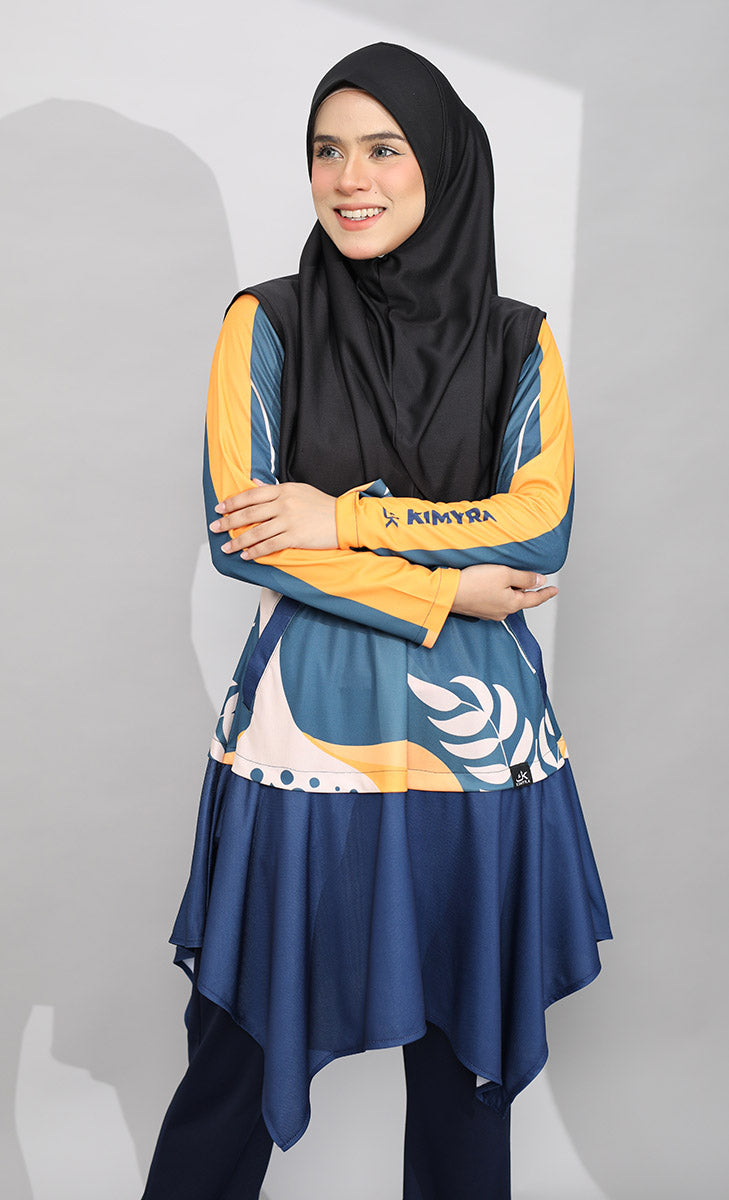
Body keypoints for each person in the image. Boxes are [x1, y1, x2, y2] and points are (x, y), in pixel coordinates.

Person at [141, 42, 612, 1200]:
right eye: (327, 150)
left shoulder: (518, 341)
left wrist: (340, 517)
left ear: (440, 164)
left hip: (477, 758)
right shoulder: (266, 324)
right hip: (307, 745)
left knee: (464, 1081)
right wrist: (446, 587)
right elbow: (242, 534)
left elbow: (538, 528)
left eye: (383, 148)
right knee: (238, 1065)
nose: (349, 178)